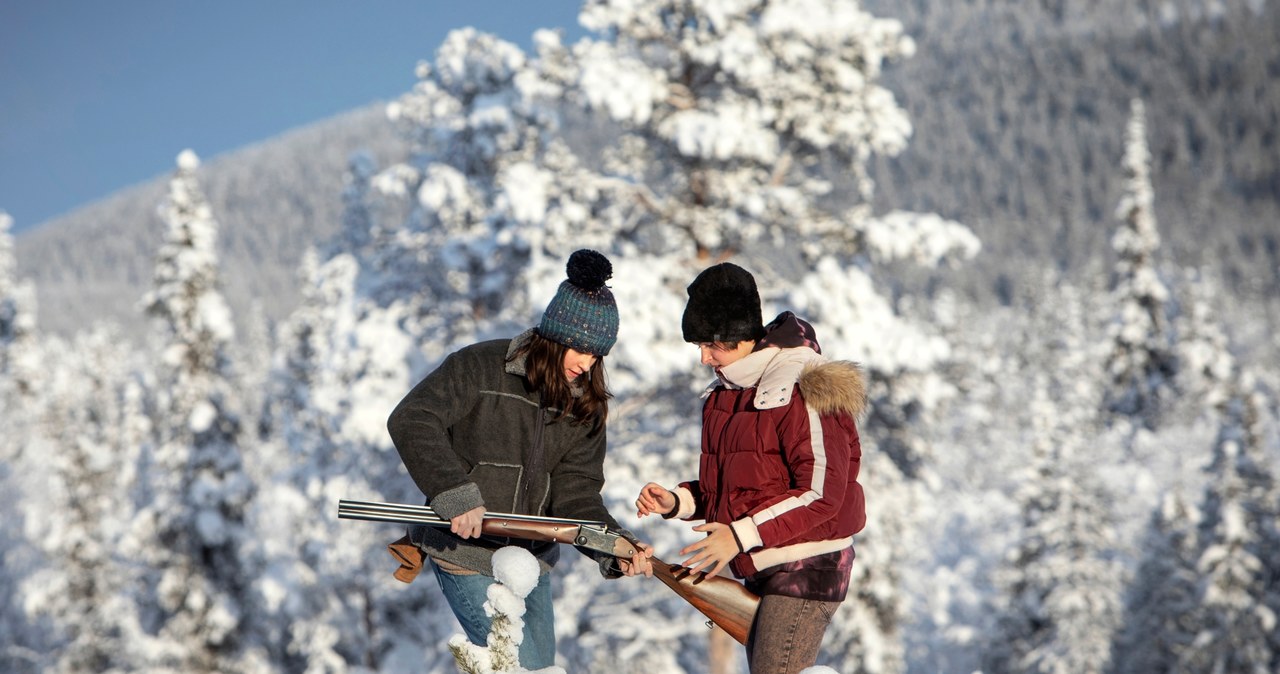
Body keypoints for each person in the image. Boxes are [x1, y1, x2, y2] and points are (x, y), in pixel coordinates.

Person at [387, 249, 652, 670]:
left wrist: (611, 545)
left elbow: (576, 496)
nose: (587, 363)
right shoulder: (479, 365)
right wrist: (455, 492)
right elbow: (412, 419)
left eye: (598, 353)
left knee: (541, 670)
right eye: (579, 348)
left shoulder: (588, 406)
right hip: (464, 552)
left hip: (530, 564)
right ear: (554, 334)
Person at [635, 262, 867, 674]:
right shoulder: (725, 396)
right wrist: (678, 501)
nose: (704, 358)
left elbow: (821, 493)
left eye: (712, 345)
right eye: (699, 346)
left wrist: (739, 536)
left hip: (807, 567)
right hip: (762, 567)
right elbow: (740, 488)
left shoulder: (804, 384)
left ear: (742, 335)